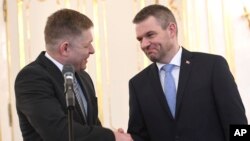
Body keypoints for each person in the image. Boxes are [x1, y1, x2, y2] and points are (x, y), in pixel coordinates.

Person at [127, 4, 248, 141]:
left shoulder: (212, 66)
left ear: (171, 30)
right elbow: (139, 135)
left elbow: (238, 124)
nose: (144, 44)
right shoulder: (138, 84)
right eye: (140, 39)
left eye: (150, 35)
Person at [15, 8, 132, 141]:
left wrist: (113, 135)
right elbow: (59, 132)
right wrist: (111, 137)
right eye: (87, 45)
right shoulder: (31, 78)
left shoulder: (84, 77)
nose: (92, 51)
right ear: (65, 48)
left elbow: (91, 126)